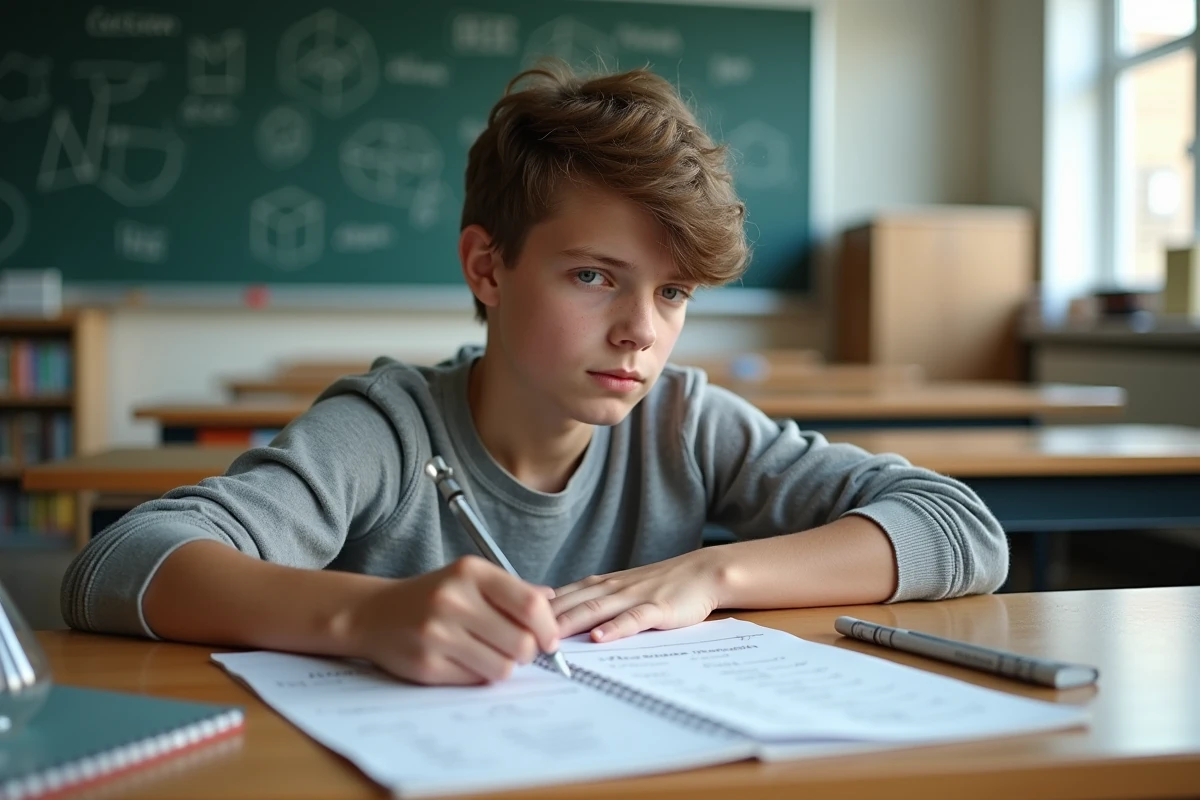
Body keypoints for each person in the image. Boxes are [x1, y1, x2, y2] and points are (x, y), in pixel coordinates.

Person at [62, 62, 1007, 686]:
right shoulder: (387, 429)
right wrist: (365, 615)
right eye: (594, 276)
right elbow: (116, 565)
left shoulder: (681, 421)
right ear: (489, 267)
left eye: (673, 292)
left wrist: (714, 573)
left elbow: (959, 527)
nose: (641, 332)